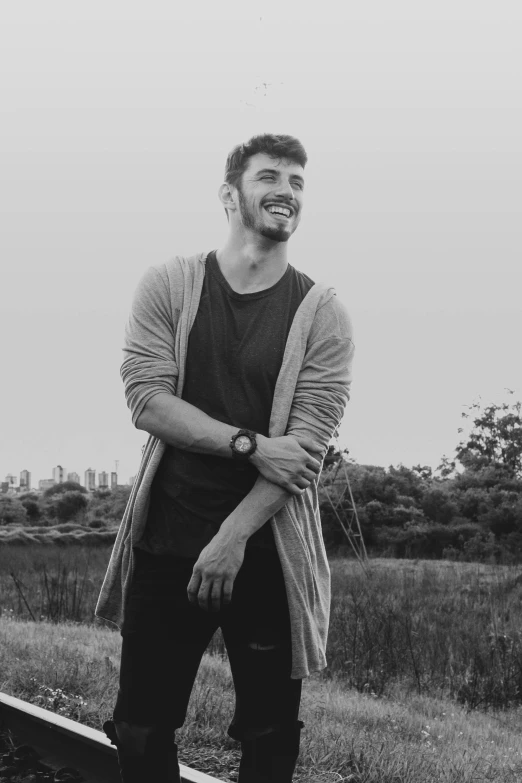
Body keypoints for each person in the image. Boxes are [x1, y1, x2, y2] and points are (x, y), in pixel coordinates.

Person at [95, 133, 355, 783]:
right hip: (166, 539)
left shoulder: (322, 311)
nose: (287, 191)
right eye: (270, 176)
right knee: (139, 724)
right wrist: (249, 443)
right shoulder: (170, 284)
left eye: (298, 182)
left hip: (267, 553)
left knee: (269, 735)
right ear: (229, 194)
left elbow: (305, 452)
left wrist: (231, 537)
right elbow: (148, 399)